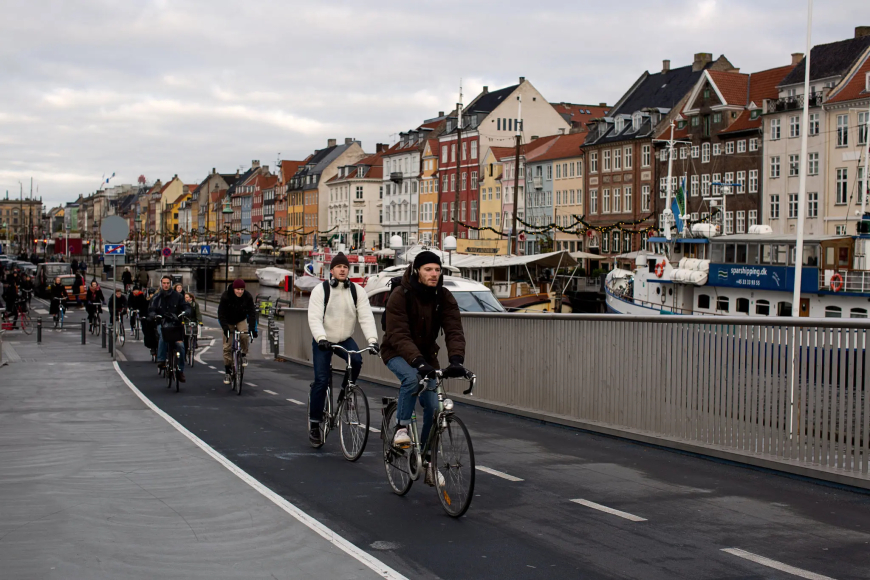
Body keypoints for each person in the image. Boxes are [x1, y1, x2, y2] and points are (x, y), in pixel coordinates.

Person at [379, 251, 468, 486]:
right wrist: (417, 362)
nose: (434, 274)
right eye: (429, 269)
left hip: (427, 357)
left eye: (438, 270)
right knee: (411, 379)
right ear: (417, 270)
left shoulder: (444, 296)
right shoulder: (401, 295)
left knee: (433, 406)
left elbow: (454, 329)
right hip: (396, 352)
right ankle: (401, 428)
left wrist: (457, 360)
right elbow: (397, 333)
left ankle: (427, 461)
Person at [306, 252, 379, 445]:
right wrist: (321, 338)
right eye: (339, 267)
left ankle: (346, 394)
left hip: (344, 338)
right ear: (332, 270)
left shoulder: (357, 291)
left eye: (345, 267)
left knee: (356, 360)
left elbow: (365, 316)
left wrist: (372, 340)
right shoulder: (321, 290)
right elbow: (314, 317)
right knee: (321, 380)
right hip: (323, 338)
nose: (343, 269)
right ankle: (315, 425)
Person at [148, 275, 191, 381]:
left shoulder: (178, 296)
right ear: (161, 284)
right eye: (164, 283)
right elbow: (151, 309)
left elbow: (185, 306)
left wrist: (186, 312)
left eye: (168, 283)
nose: (166, 285)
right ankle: (161, 360)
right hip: (162, 323)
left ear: (170, 284)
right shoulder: (157, 297)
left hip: (176, 325)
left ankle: (180, 370)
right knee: (163, 336)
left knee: (180, 346)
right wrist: (154, 315)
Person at [217, 279, 257, 384]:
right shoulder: (226, 297)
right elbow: (221, 314)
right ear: (234, 289)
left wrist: (252, 328)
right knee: (227, 347)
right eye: (238, 289)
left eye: (242, 289)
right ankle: (227, 372)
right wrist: (225, 328)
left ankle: (243, 354)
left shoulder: (247, 297)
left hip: (240, 319)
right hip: (228, 320)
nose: (240, 292)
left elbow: (252, 313)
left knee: (244, 335)